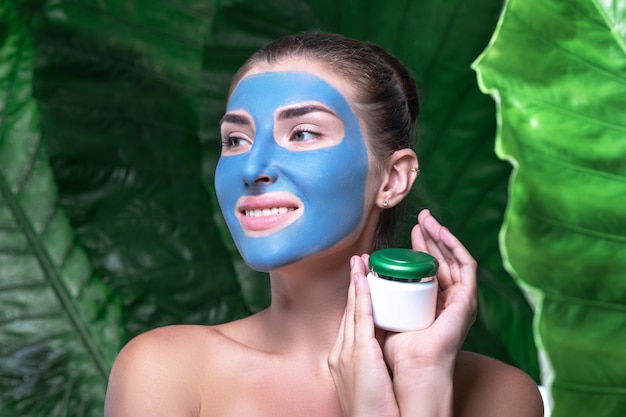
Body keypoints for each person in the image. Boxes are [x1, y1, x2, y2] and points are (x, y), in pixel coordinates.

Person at [104, 32, 544, 417]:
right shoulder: (165, 371)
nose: (252, 166)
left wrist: (422, 380)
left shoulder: (501, 396)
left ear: (391, 178)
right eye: (235, 140)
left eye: (302, 134)